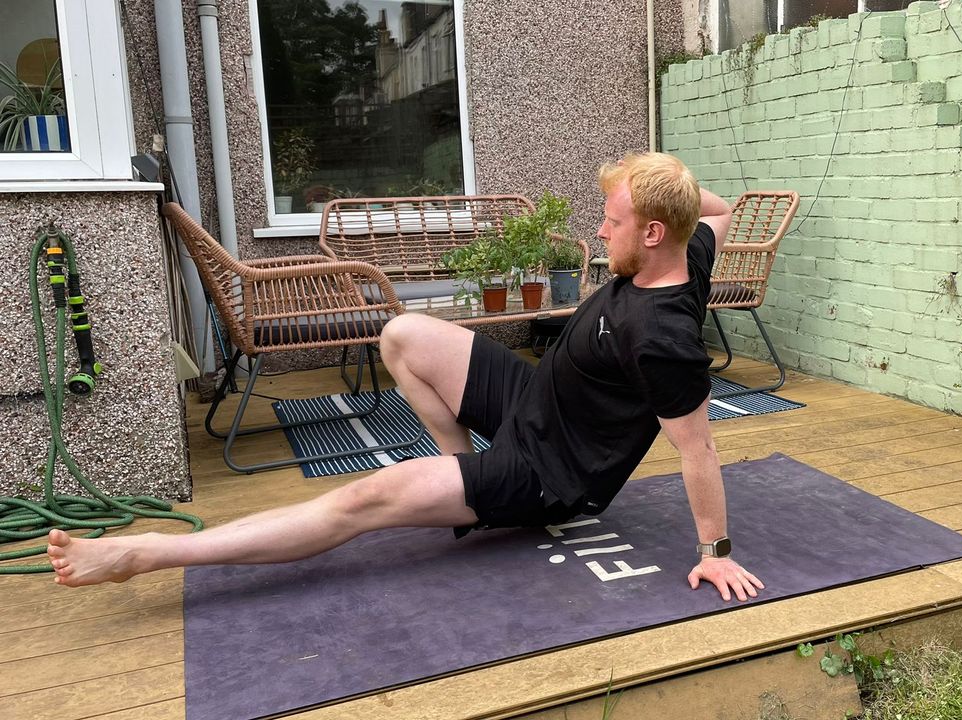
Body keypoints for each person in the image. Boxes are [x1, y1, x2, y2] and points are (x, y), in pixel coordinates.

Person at [45, 152, 763, 602]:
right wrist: (664, 181)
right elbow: (720, 209)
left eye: (612, 221)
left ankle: (145, 555)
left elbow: (698, 451)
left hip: (548, 470)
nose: (599, 231)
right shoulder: (689, 248)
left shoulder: (664, 337)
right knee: (402, 334)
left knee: (367, 497)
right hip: (532, 401)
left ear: (651, 234)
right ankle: (463, 481)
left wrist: (715, 554)